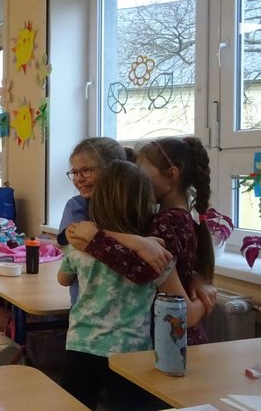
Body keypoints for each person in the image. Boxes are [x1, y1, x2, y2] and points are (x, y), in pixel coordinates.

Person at [68, 136, 217, 344]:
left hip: (169, 342)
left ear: (172, 174)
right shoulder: (165, 218)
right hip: (152, 337)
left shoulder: (167, 221)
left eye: (141, 171)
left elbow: (145, 272)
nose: (136, 177)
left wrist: (97, 237)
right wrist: (135, 242)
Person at [58, 160, 172, 410]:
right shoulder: (156, 253)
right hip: (132, 350)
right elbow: (176, 302)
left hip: (81, 345)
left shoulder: (80, 248)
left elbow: (63, 279)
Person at [57, 137, 128, 303]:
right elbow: (84, 241)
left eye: (86, 170)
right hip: (86, 306)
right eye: (75, 173)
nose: (78, 179)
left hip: (126, 308)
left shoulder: (131, 206)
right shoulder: (77, 206)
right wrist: (140, 244)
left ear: (112, 170)